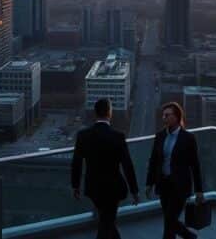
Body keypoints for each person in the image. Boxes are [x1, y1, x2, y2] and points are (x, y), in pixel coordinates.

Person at [71, 98, 140, 239]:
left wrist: (75, 186)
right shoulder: (118, 136)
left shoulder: (83, 135)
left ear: (95, 113)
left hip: (93, 187)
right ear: (110, 113)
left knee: (106, 220)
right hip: (113, 188)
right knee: (107, 222)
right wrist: (134, 190)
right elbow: (127, 165)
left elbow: (76, 163)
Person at [146, 102, 204, 239]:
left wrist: (199, 189)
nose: (164, 118)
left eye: (167, 115)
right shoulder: (160, 136)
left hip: (180, 186)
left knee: (170, 220)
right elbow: (154, 161)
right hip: (163, 184)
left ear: (177, 117)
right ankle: (189, 236)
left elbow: (194, 165)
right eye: (163, 115)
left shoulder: (188, 138)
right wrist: (149, 183)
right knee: (169, 220)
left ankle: (188, 236)